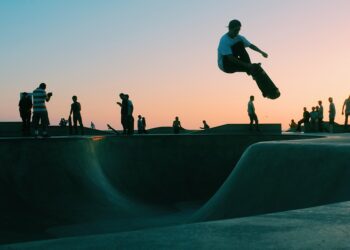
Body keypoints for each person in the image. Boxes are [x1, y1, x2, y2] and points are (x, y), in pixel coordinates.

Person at [217, 19, 278, 98]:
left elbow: (251, 45)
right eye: (235, 30)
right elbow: (230, 58)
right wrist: (247, 65)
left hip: (234, 60)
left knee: (255, 68)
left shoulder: (239, 37)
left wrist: (261, 52)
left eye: (238, 30)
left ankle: (266, 92)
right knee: (239, 45)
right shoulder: (224, 40)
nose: (237, 32)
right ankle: (249, 68)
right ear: (230, 29)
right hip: (225, 65)